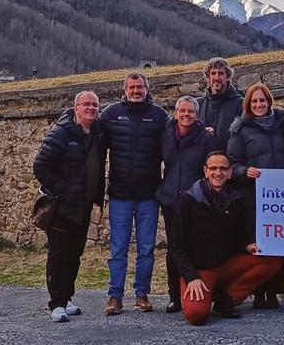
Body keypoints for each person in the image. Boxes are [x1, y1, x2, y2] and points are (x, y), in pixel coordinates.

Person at [168, 152, 284, 326]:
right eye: (213, 168)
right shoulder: (188, 199)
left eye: (223, 168)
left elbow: (237, 236)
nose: (218, 173)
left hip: (226, 264)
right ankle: (200, 292)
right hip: (200, 270)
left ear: (230, 173)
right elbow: (176, 246)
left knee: (273, 259)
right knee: (197, 316)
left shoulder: (235, 199)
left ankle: (227, 299)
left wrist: (246, 248)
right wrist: (191, 277)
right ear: (205, 171)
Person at [225, 82, 284, 308]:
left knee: (279, 241)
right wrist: (243, 172)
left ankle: (274, 291)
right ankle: (258, 291)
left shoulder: (282, 125)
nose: (259, 104)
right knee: (258, 243)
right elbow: (233, 163)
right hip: (253, 195)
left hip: (282, 196)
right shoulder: (240, 129)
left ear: (269, 102)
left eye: (262, 100)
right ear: (248, 104)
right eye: (254, 101)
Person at [32, 91, 106, 323]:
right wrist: (63, 188)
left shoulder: (97, 133)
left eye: (95, 105)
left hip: (82, 206)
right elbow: (40, 166)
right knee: (58, 255)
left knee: (75, 254)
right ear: (76, 108)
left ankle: (67, 297)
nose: (91, 108)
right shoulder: (60, 134)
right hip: (62, 206)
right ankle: (56, 303)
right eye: (86, 104)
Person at [100, 71, 168, 315]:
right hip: (120, 193)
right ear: (125, 89)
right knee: (118, 247)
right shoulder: (110, 114)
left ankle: (142, 294)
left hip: (149, 194)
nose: (136, 91)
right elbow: (92, 139)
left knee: (146, 248)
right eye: (132, 87)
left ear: (147, 89)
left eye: (140, 87)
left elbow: (174, 143)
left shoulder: (159, 116)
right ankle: (114, 296)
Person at [157, 96, 216, 313]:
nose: (186, 114)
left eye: (191, 111)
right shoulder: (165, 133)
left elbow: (211, 165)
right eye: (182, 110)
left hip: (195, 198)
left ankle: (197, 290)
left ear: (197, 114)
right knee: (174, 247)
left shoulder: (206, 138)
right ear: (176, 112)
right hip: (170, 197)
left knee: (197, 245)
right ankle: (174, 296)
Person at [195, 57, 244, 148]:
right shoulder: (197, 104)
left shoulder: (241, 104)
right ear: (208, 77)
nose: (216, 78)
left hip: (231, 159)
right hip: (203, 160)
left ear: (228, 77)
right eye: (213, 73)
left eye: (221, 73)